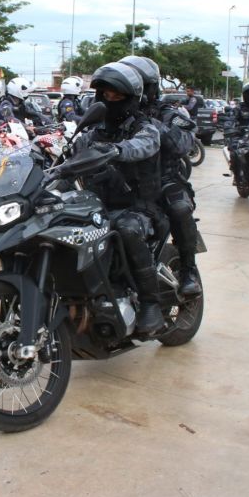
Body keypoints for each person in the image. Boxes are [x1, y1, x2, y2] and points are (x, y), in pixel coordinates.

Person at [73, 62, 164, 335]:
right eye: (104, 95)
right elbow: (70, 161)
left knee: (126, 230)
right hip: (98, 207)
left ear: (132, 98)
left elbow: (141, 147)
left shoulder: (146, 128)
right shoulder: (90, 132)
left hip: (139, 208)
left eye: (117, 95)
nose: (109, 100)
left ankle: (151, 304)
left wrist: (115, 150)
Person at [120, 55, 202, 296]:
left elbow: (182, 144)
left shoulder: (169, 113)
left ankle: (189, 270)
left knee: (179, 209)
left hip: (164, 181)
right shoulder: (112, 112)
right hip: (122, 183)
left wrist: (148, 123)